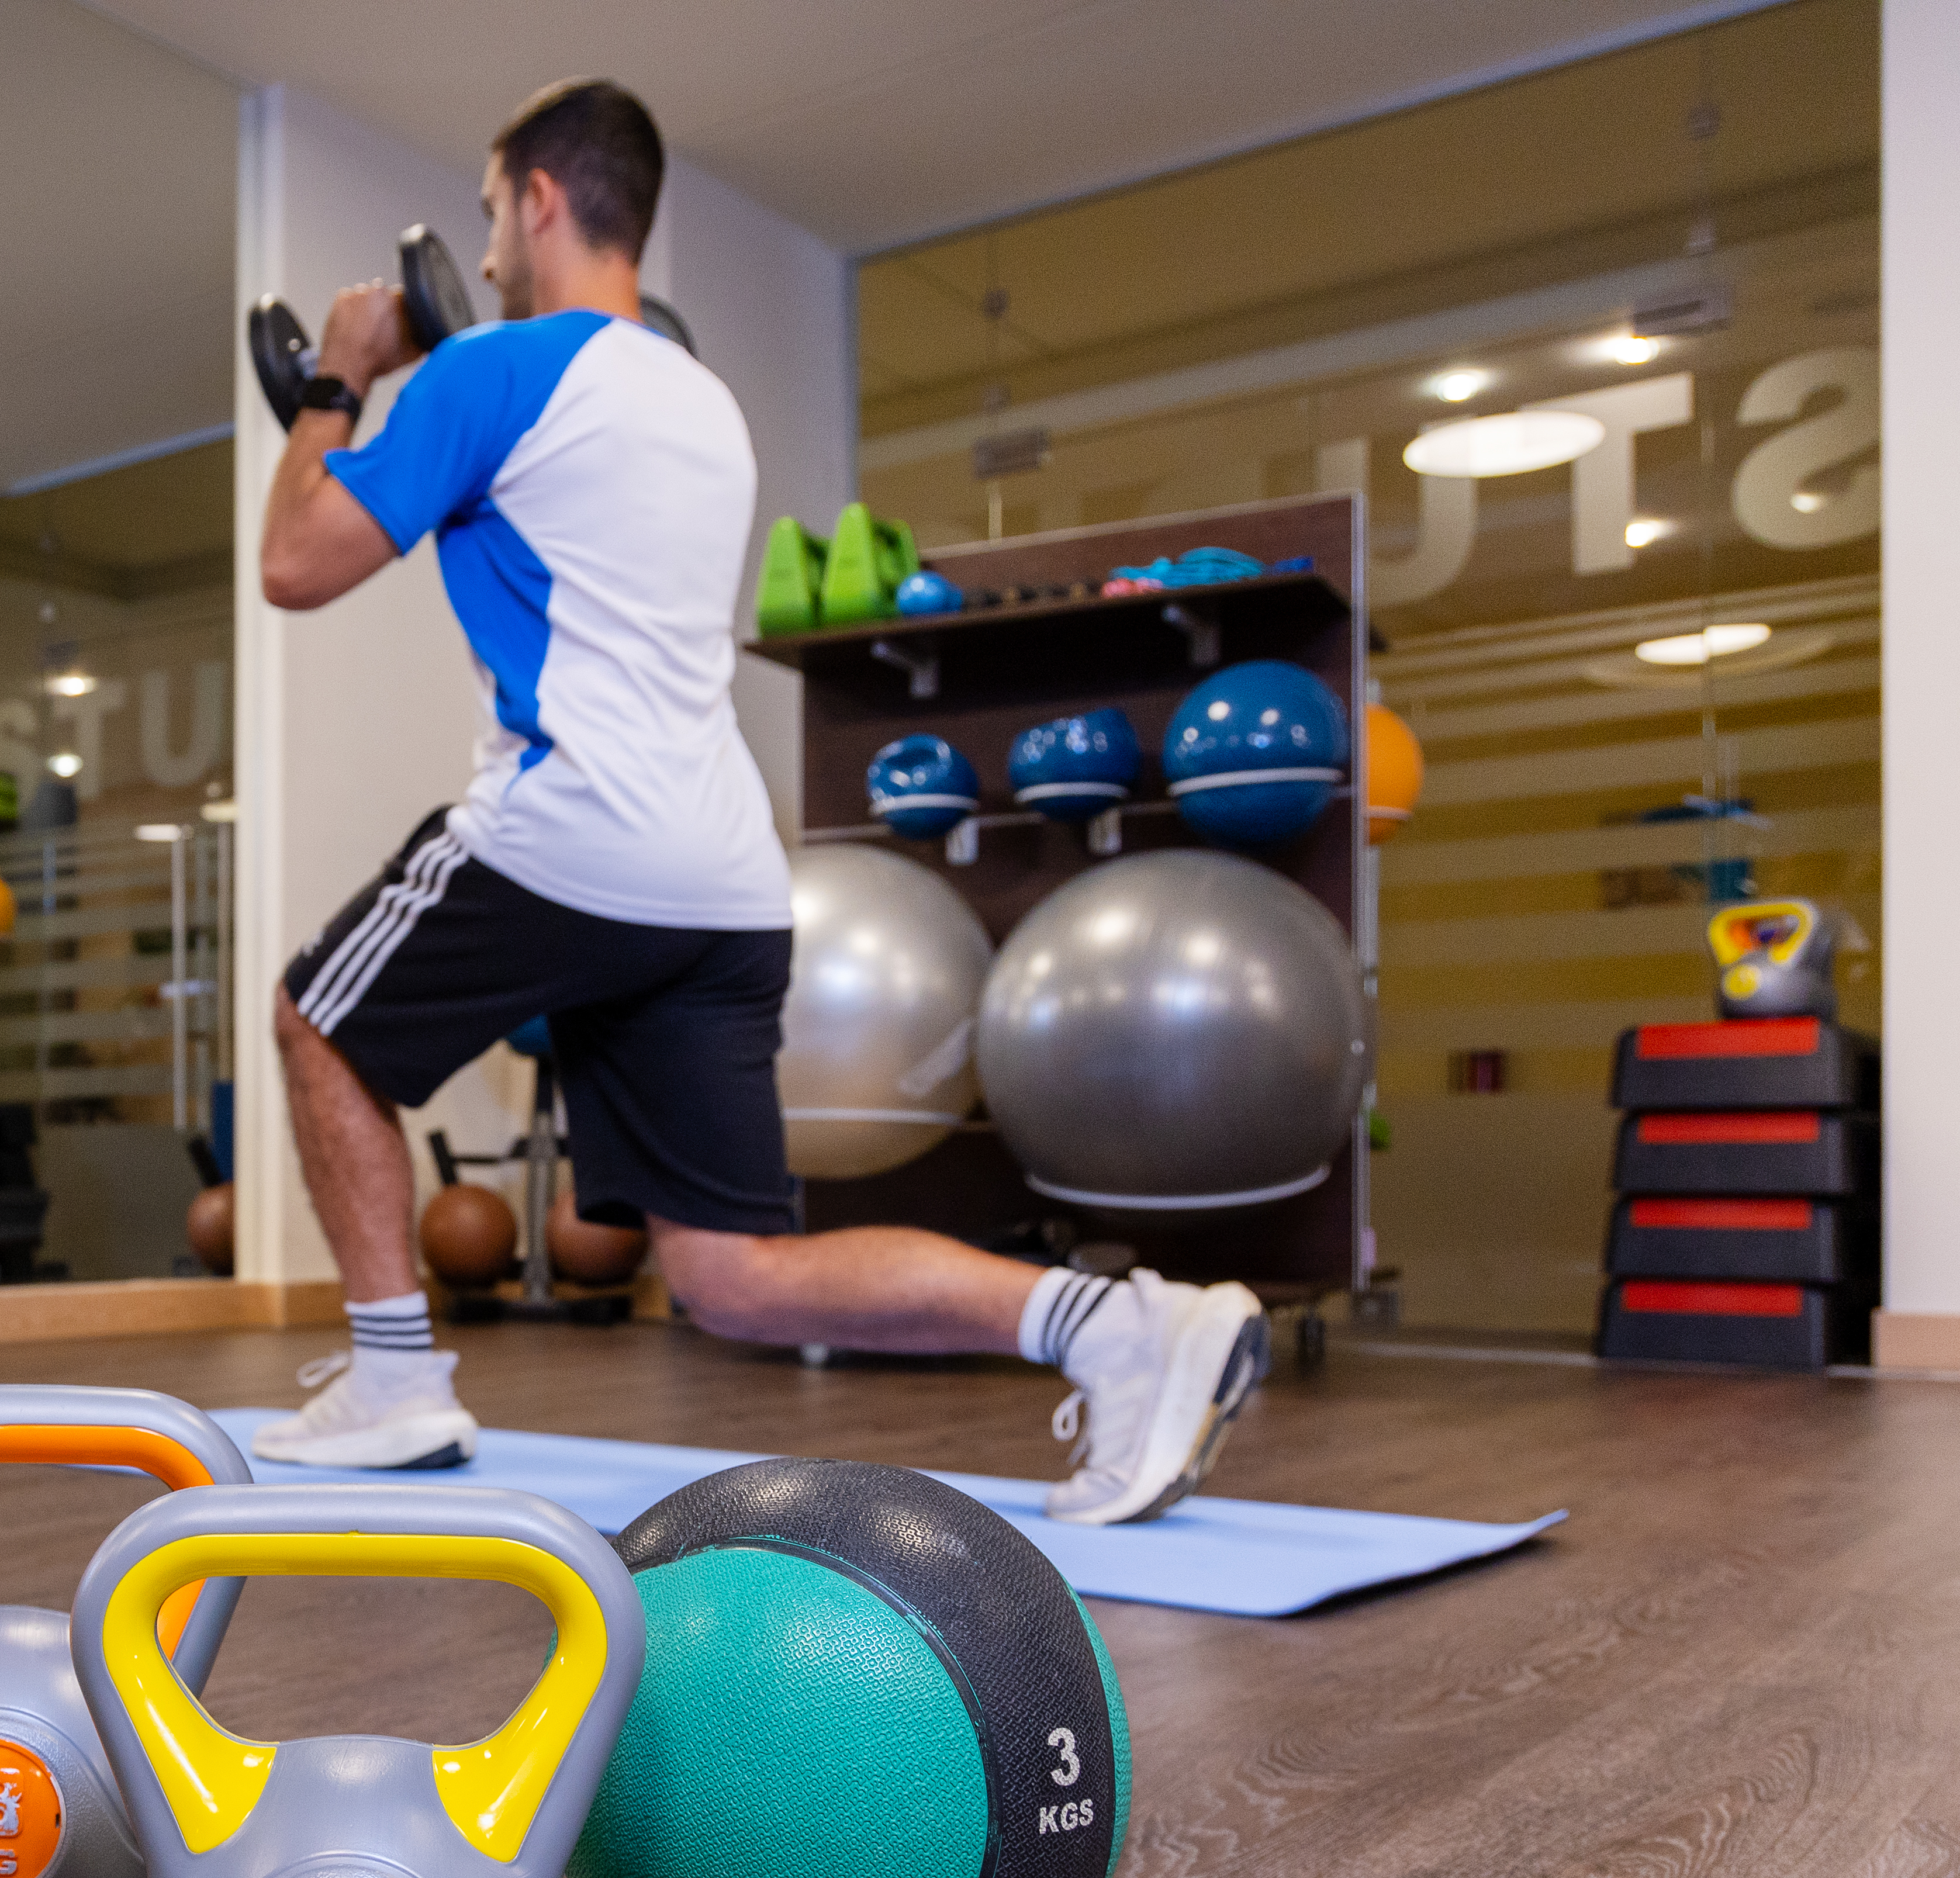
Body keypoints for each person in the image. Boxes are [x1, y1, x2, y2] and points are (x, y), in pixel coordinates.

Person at [251, 78, 1267, 1524]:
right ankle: (1122, 1330)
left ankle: (397, 1382)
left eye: (488, 213)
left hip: (571, 826)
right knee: (729, 1275)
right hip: (723, 877)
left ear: (540, 196)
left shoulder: (489, 376)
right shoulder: (699, 401)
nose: (478, 257)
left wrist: (338, 387)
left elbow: (296, 563)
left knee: (315, 1024)